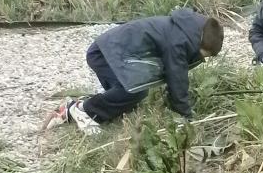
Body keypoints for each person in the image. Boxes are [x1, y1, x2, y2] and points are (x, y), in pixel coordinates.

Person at [46, 8, 224, 132]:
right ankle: (83, 111)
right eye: (203, 55)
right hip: (104, 54)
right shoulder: (178, 42)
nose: (201, 59)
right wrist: (186, 116)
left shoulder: (184, 29)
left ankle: (70, 109)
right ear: (200, 43)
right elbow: (177, 78)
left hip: (108, 51)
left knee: (122, 98)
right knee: (134, 92)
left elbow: (174, 76)